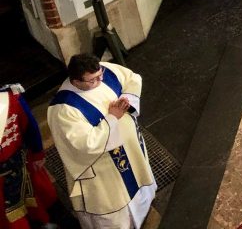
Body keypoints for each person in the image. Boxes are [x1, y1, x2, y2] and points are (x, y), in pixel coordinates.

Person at [48, 54, 156, 229]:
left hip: (132, 151)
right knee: (116, 207)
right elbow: (85, 144)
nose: (99, 81)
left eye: (100, 75)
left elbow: (132, 78)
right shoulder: (64, 108)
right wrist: (112, 118)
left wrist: (127, 101)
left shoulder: (104, 70)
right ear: (76, 81)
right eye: (92, 80)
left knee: (140, 182)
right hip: (106, 171)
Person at [1, 82, 57, 229]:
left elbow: (30, 127)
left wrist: (37, 153)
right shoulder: (11, 96)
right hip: (18, 164)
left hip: (21, 161)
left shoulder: (11, 97)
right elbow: (30, 126)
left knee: (33, 200)